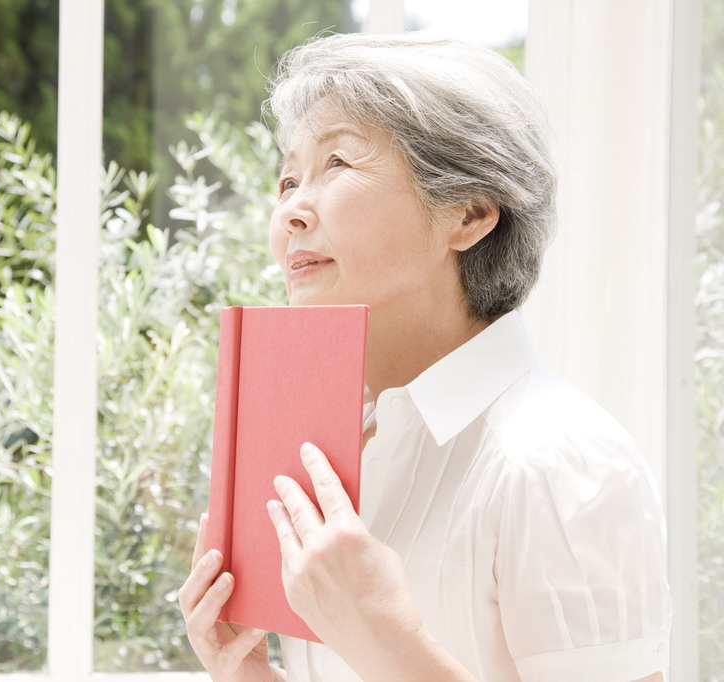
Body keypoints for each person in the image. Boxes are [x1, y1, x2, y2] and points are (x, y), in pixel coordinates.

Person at [177, 32, 672, 682]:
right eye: (288, 178)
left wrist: (388, 638)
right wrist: (245, 672)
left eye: (337, 165)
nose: (291, 210)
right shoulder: (336, 445)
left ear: (468, 213)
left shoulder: (560, 464)